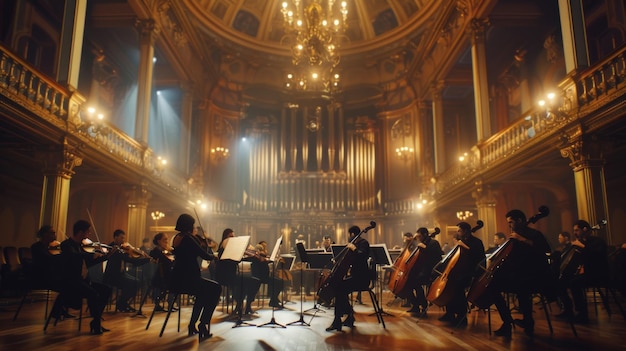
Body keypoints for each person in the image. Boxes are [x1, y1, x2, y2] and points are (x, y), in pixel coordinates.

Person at [490, 209, 552, 338]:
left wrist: (522, 239)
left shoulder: (535, 234)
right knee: (492, 286)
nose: (509, 225)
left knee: (522, 286)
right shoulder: (514, 237)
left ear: (520, 220)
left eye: (511, 222)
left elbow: (545, 249)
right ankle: (507, 321)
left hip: (536, 277)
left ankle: (528, 321)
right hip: (519, 276)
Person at [170, 214, 221, 341]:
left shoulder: (178, 237)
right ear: (188, 225)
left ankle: (193, 325)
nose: (194, 227)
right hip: (188, 280)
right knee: (216, 288)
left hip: (178, 278)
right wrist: (214, 256)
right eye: (192, 225)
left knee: (203, 293)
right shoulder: (188, 238)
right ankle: (202, 323)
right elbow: (204, 255)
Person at [59, 220, 112, 334]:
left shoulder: (79, 246)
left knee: (106, 290)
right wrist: (91, 255)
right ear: (80, 232)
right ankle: (96, 324)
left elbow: (89, 262)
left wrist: (107, 256)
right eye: (88, 232)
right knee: (92, 293)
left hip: (82, 281)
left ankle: (95, 321)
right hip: (71, 282)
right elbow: (73, 256)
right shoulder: (66, 245)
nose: (89, 234)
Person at [556, 220, 609, 324]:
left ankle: (582, 314)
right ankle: (568, 309)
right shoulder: (582, 243)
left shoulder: (597, 242)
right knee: (560, 281)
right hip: (587, 274)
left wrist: (581, 246)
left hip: (598, 274)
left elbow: (596, 256)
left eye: (577, 230)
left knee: (574, 283)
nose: (575, 233)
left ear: (584, 229)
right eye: (574, 231)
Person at [437, 222, 484, 326]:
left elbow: (479, 258)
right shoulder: (461, 241)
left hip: (472, 272)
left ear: (466, 231)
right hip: (460, 271)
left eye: (459, 230)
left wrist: (465, 247)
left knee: (458, 286)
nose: (457, 233)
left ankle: (462, 316)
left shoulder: (476, 242)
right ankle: (450, 313)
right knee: (449, 283)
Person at [326, 225, 370, 332]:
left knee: (339, 288)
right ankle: (348, 315)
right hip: (354, 277)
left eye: (349, 235)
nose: (349, 237)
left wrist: (354, 249)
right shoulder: (353, 244)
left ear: (352, 234)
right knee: (339, 287)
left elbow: (363, 256)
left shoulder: (364, 243)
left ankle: (340, 320)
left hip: (362, 278)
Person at [103, 229, 151, 312]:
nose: (123, 240)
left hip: (121, 274)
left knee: (137, 282)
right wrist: (147, 260)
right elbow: (133, 261)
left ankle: (123, 303)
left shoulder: (121, 249)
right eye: (121, 238)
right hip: (113, 276)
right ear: (115, 237)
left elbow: (133, 261)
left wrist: (139, 255)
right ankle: (122, 303)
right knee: (132, 283)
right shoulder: (112, 249)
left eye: (124, 238)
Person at [403, 227, 443, 316]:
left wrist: (425, 248)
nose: (419, 238)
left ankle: (422, 304)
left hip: (431, 271)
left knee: (415, 282)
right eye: (418, 237)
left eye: (420, 236)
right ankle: (416, 304)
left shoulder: (433, 243)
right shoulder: (419, 243)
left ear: (425, 235)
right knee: (406, 282)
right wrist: (411, 242)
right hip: (421, 270)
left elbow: (436, 257)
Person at [149, 232, 175, 312]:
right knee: (174, 281)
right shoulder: (156, 250)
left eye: (167, 239)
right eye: (165, 239)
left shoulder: (167, 250)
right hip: (160, 277)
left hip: (167, 275)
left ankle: (171, 304)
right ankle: (169, 304)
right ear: (159, 241)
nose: (167, 241)